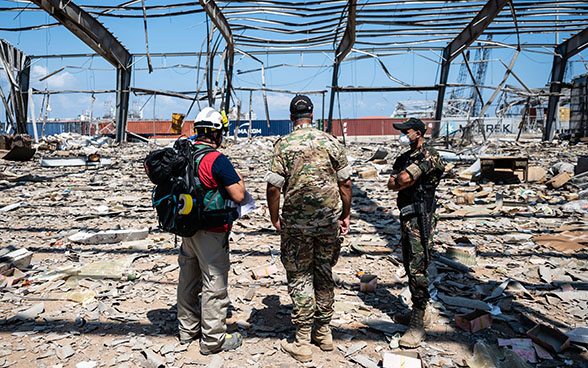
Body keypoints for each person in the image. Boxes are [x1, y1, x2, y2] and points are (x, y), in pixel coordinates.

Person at [266, 95, 352, 362]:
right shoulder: (331, 141)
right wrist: (345, 214)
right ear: (312, 116)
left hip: (296, 225)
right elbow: (346, 184)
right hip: (327, 222)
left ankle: (303, 340)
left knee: (300, 276)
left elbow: (273, 187)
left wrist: (274, 216)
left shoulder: (284, 145)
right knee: (324, 272)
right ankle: (324, 333)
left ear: (291, 118)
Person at [176, 107, 245, 355]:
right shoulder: (217, 159)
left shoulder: (184, 155)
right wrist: (239, 177)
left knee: (188, 280)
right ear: (216, 134)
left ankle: (187, 330)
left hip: (186, 227)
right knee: (214, 284)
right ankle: (213, 340)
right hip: (212, 231)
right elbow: (238, 195)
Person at [387, 117, 445, 348]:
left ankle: (418, 322)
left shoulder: (430, 155)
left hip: (422, 217)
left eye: (406, 131)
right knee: (409, 263)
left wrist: (404, 181)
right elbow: (392, 183)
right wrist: (403, 181)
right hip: (407, 215)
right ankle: (417, 312)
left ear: (419, 133)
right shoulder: (404, 157)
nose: (403, 135)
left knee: (418, 266)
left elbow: (403, 178)